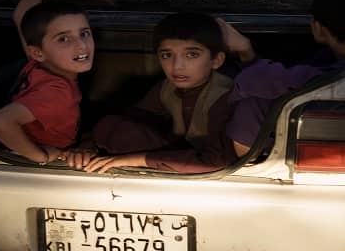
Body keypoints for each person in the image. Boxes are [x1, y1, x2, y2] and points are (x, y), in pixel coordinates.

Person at [222, 0, 345, 156]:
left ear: (319, 28)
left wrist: (245, 49)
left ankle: (248, 160)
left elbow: (259, 80)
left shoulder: (323, 76)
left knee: (252, 103)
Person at [75, 12, 237, 174]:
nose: (177, 66)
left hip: (204, 160)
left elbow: (216, 161)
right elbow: (134, 116)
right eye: (167, 55)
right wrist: (89, 144)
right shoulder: (167, 88)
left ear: (216, 60)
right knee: (111, 125)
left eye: (191, 55)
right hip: (179, 148)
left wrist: (137, 159)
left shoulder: (223, 96)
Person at [0, 0, 93, 163]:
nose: (81, 45)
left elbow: (22, 15)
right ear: (38, 51)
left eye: (84, 33)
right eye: (63, 39)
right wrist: (40, 156)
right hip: (51, 157)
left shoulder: (40, 61)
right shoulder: (57, 93)